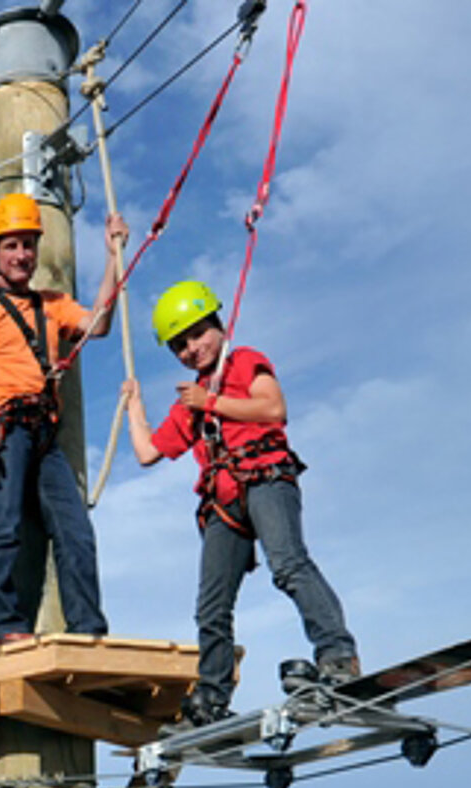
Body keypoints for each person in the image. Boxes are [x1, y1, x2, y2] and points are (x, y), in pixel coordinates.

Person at [116, 280, 359, 727]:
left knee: (288, 566)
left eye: (197, 335)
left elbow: (272, 409)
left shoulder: (244, 362)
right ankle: (210, 698)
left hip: (265, 478)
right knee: (211, 606)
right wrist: (134, 406)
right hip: (224, 502)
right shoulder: (192, 401)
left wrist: (211, 401)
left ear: (217, 325)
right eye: (180, 345)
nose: (191, 349)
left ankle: (337, 656)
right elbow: (149, 452)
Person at [0, 191, 128, 647]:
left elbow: (99, 325)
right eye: (11, 245)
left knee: (74, 530)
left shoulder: (52, 304)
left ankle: (87, 627)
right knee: (3, 525)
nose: (21, 255)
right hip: (3, 426)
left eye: (28, 244)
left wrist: (113, 258)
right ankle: (4, 625)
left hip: (44, 433)